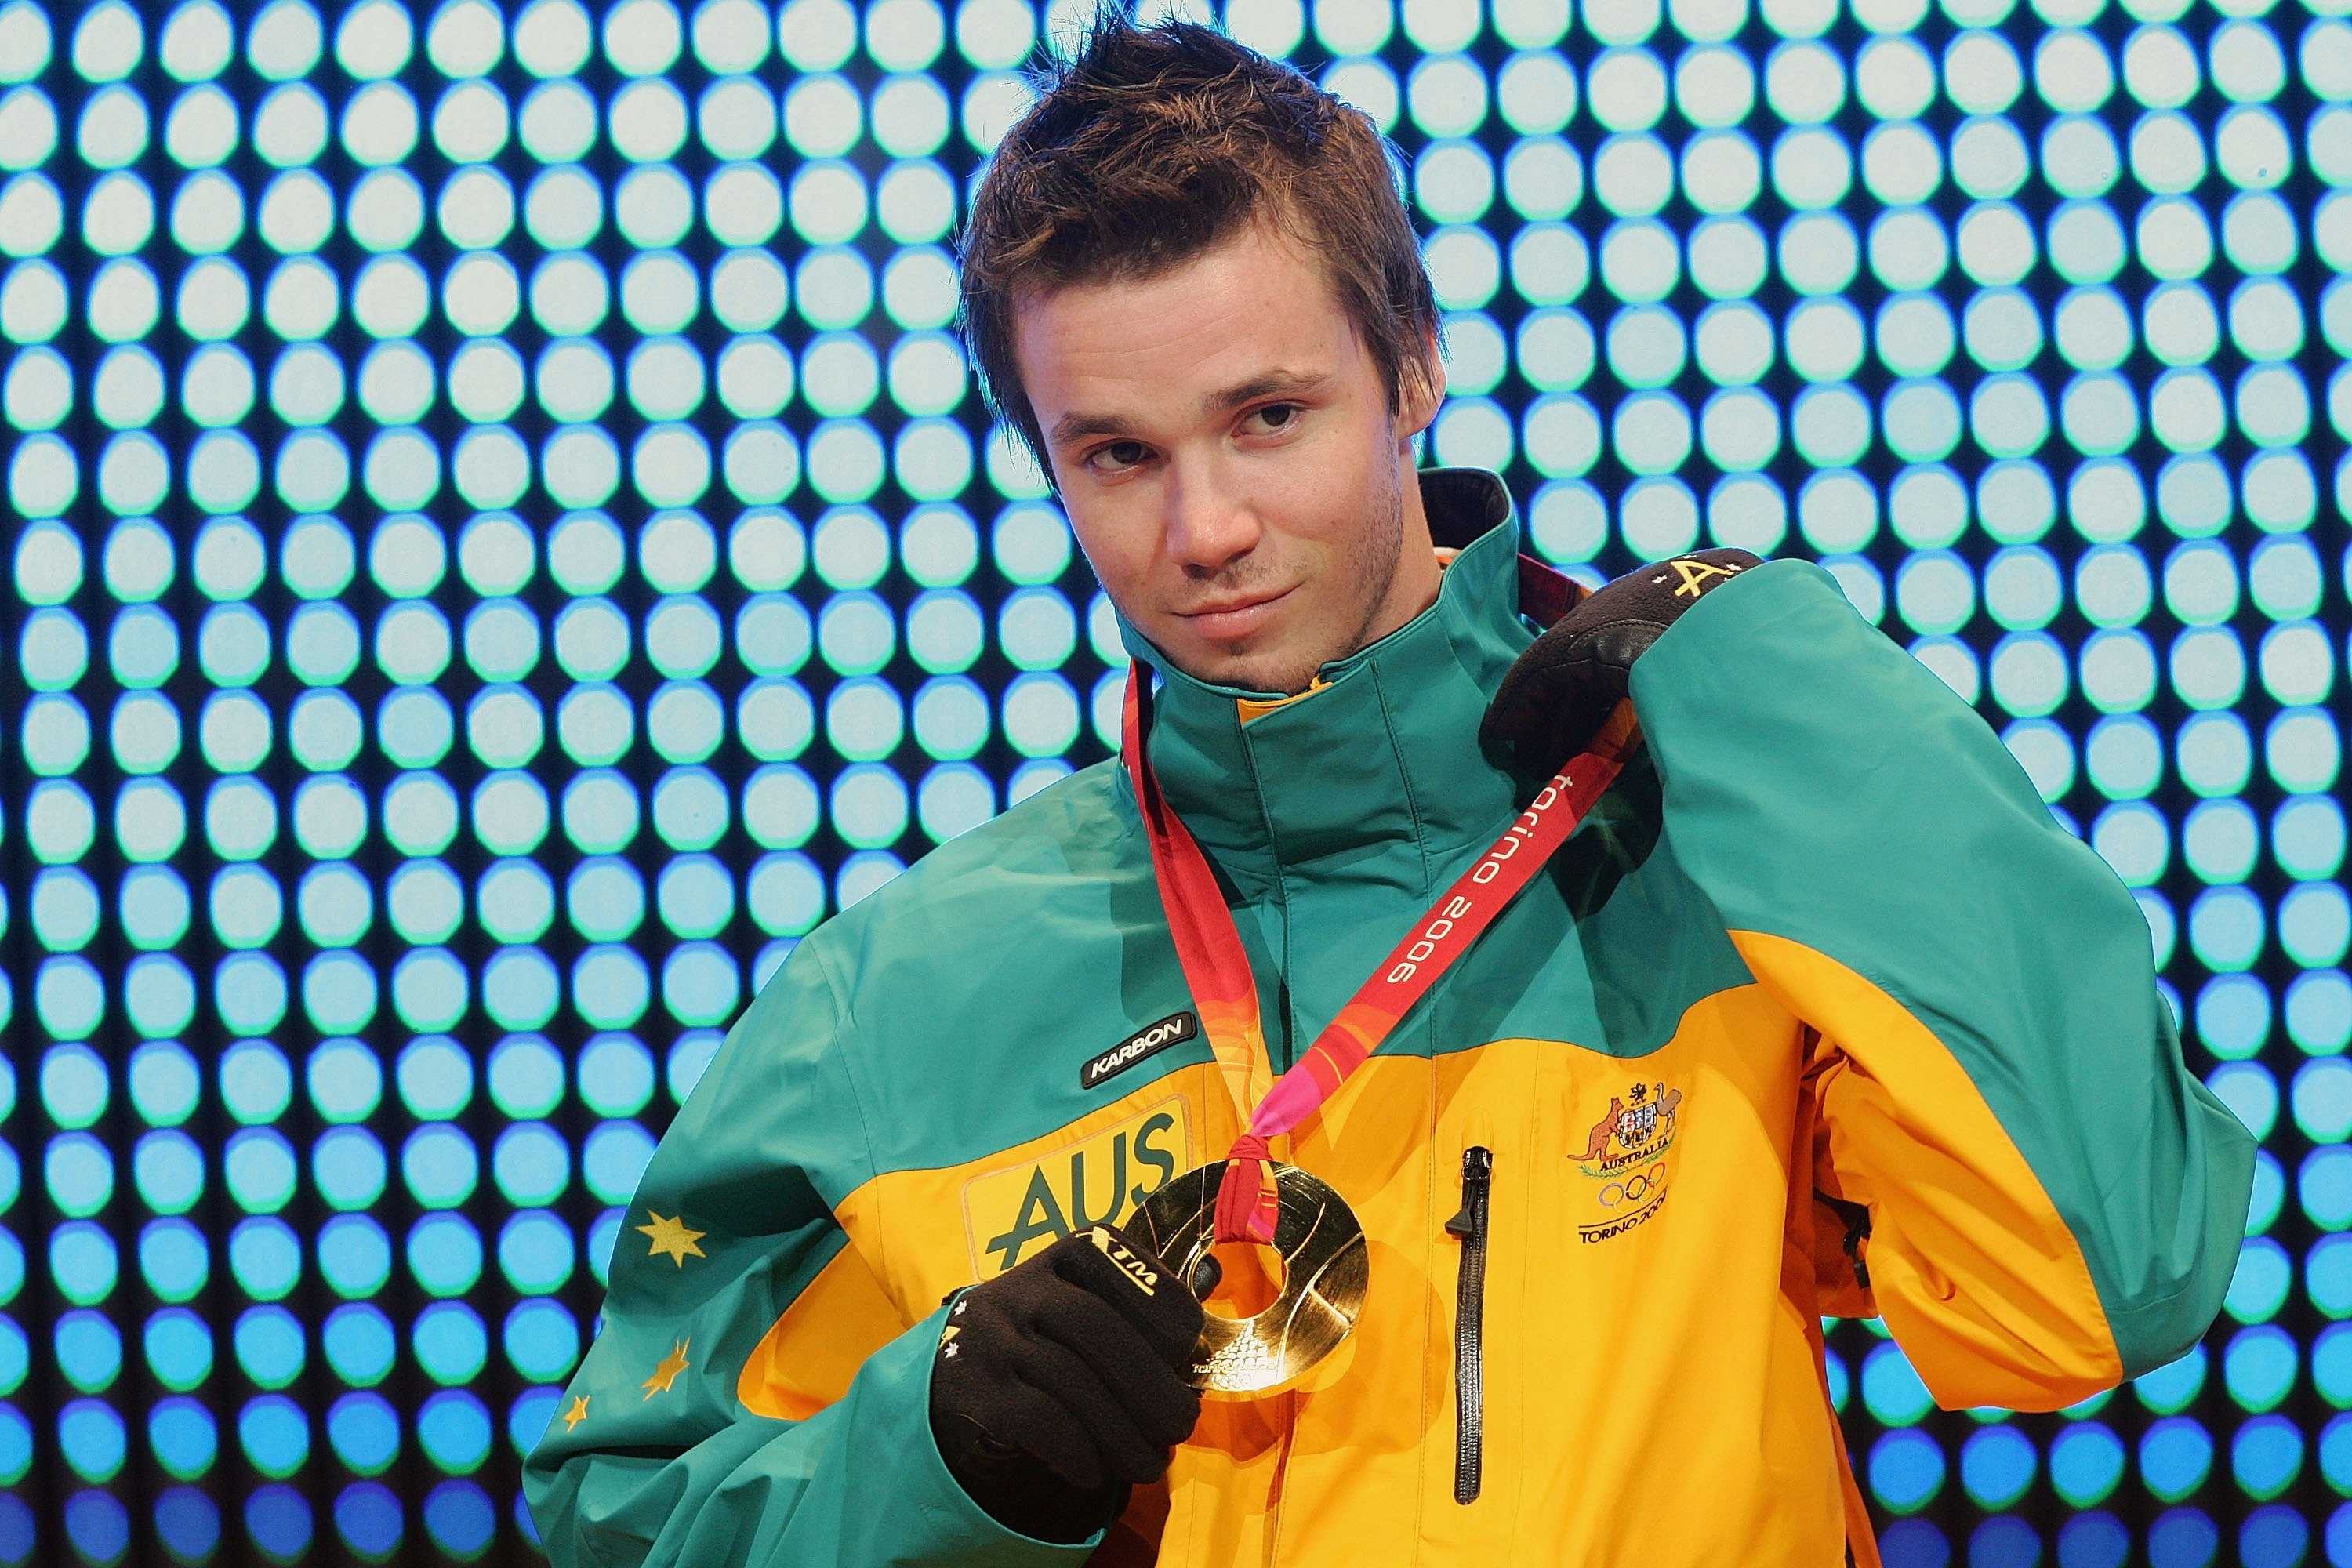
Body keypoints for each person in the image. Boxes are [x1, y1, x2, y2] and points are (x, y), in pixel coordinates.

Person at [523, 16, 2256, 1566]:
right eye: (1116, 455)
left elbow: (2101, 1284)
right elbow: (625, 1524)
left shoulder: (1717, 850)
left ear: (1410, 364)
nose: (1201, 531)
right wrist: (935, 1461)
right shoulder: (894, 999)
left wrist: (1778, 664)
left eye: (1267, 415)